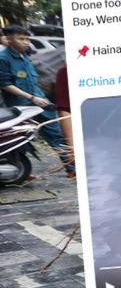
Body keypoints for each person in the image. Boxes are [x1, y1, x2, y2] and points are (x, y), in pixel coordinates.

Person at [0, 26, 73, 176]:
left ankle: (72, 168)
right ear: (8, 39)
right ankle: (20, 172)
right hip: (20, 107)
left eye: (27, 39)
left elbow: (30, 79)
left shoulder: (24, 55)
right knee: (20, 140)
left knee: (56, 134)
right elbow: (5, 84)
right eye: (21, 39)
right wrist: (31, 98)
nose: (26, 42)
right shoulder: (3, 59)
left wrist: (39, 97)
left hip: (40, 103)